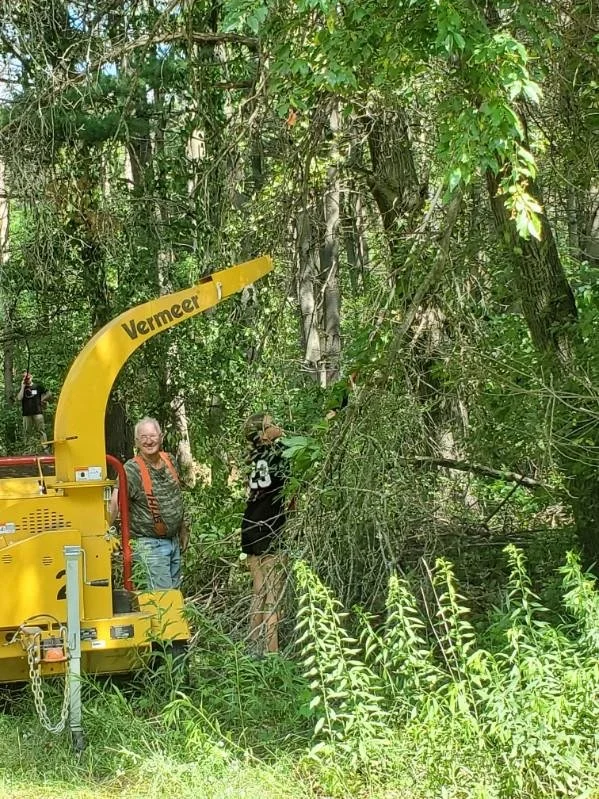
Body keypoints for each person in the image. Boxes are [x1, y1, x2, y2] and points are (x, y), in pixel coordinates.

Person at [110, 417, 188, 591]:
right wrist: (105, 532)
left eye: (152, 436)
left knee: (174, 595)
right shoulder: (131, 470)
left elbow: (176, 496)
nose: (149, 441)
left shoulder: (169, 460)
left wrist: (182, 528)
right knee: (163, 598)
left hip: (173, 542)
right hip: (149, 545)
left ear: (161, 437)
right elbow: (115, 502)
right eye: (143, 437)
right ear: (137, 442)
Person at [241, 413, 290, 655]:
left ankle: (252, 651)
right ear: (262, 435)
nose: (277, 426)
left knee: (258, 590)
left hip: (250, 524)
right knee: (273, 594)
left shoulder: (253, 457)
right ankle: (272, 656)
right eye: (271, 424)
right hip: (270, 526)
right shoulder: (280, 454)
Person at [17, 372, 52, 452]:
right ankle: (28, 449)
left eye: (28, 377)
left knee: (41, 431)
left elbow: (49, 393)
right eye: (25, 378)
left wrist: (42, 399)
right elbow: (19, 398)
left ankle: (45, 448)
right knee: (27, 431)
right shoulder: (23, 388)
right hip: (26, 414)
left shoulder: (37, 386)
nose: (27, 379)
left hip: (37, 412)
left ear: (31, 377)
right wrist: (22, 387)